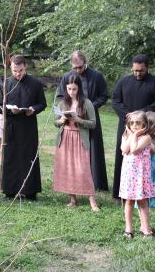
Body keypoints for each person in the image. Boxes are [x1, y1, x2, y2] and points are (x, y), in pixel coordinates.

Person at [112, 54, 155, 199]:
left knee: (145, 158)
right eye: (135, 70)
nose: (138, 73)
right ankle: (122, 193)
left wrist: (142, 114)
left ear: (147, 68)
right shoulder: (123, 82)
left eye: (141, 70)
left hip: (148, 126)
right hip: (127, 125)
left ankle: (145, 192)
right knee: (125, 155)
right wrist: (130, 116)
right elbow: (115, 101)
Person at [0, 54, 47, 200]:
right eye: (15, 71)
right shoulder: (5, 83)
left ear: (26, 67)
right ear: (10, 68)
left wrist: (33, 109)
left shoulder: (35, 83)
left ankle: (30, 191)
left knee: (28, 156)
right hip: (11, 125)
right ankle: (10, 190)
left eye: (21, 70)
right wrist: (9, 110)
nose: (18, 74)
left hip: (28, 126)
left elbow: (42, 103)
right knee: (11, 157)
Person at [57, 51, 108, 191]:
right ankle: (75, 181)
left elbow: (104, 96)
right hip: (72, 120)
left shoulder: (96, 76)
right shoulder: (67, 77)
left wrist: (89, 107)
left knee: (93, 149)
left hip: (89, 116)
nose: (78, 70)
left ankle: (97, 183)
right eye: (75, 67)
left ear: (85, 63)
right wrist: (67, 110)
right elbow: (61, 96)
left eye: (80, 67)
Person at [53, 75, 99, 211]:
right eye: (69, 89)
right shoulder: (62, 103)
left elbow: (93, 124)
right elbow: (56, 122)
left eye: (74, 89)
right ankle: (72, 199)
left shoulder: (87, 103)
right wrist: (60, 121)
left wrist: (79, 120)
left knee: (83, 169)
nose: (71, 92)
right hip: (65, 138)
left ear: (79, 88)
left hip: (79, 138)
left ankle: (92, 201)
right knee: (67, 167)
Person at [119, 111, 155, 238]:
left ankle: (145, 228)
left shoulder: (146, 138)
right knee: (128, 201)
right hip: (129, 175)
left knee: (142, 202)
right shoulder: (126, 136)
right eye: (132, 123)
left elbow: (134, 150)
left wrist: (136, 134)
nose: (134, 125)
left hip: (141, 175)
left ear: (144, 125)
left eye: (138, 123)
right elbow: (124, 149)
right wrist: (130, 135)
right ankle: (128, 229)